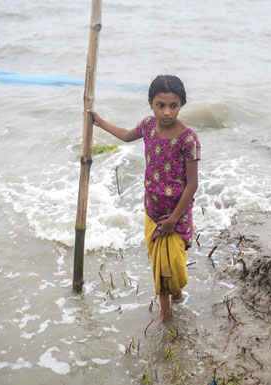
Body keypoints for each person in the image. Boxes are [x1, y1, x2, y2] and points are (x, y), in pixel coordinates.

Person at [88, 75, 200, 328]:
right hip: (153, 209)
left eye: (174, 106)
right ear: (150, 103)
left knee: (172, 264)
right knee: (160, 263)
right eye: (161, 105)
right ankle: (168, 307)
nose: (167, 112)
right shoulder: (149, 126)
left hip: (176, 215)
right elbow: (127, 136)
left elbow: (192, 184)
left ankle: (173, 300)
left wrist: (173, 219)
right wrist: (99, 122)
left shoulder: (188, 139)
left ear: (182, 104)